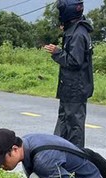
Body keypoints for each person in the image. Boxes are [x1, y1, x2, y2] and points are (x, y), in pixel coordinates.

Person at [43, 0, 94, 149]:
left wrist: (57, 52)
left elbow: (75, 61)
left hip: (75, 89)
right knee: (64, 123)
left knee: (74, 128)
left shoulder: (78, 34)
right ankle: (58, 155)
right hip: (70, 88)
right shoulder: (75, 30)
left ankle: (75, 160)